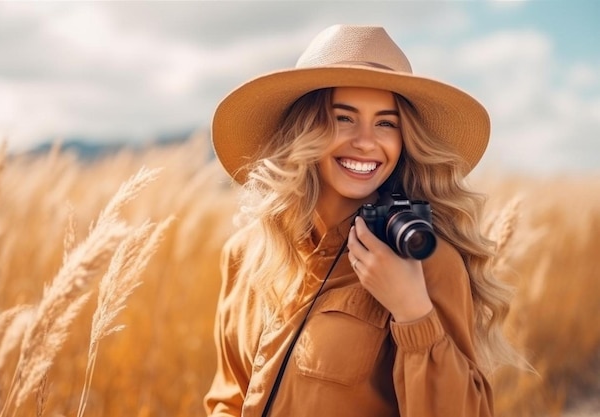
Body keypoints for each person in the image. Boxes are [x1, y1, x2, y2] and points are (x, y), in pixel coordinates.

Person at [205, 24, 520, 417]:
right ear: (304, 130)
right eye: (344, 118)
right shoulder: (247, 254)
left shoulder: (429, 263)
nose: (367, 141)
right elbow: (229, 397)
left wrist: (412, 311)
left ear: (405, 139)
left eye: (386, 123)